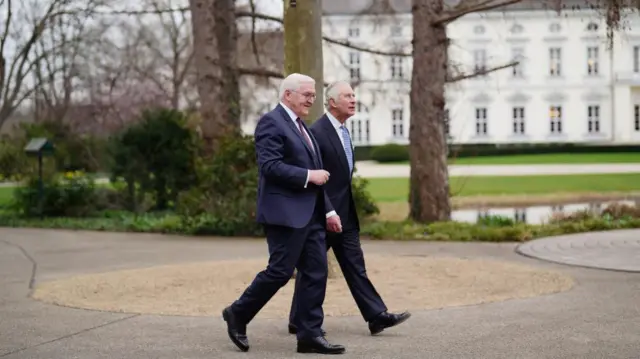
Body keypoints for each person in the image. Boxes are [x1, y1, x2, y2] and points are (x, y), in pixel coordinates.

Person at [222, 73, 346, 355]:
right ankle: (237, 314)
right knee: (279, 272)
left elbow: (319, 178)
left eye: (314, 95)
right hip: (284, 215)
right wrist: (307, 175)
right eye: (307, 94)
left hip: (312, 216)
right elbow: (270, 166)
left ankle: (309, 336)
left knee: (316, 272)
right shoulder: (271, 123)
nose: (312, 100)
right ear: (287, 95)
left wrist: (328, 210)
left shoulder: (303, 127)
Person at [288, 81, 411, 337]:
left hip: (347, 216)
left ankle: (376, 316)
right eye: (347, 96)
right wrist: (329, 211)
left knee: (356, 266)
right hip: (323, 215)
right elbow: (315, 179)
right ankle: (298, 319)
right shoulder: (317, 133)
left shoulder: (344, 131)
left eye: (354, 95)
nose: (353, 99)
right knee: (312, 268)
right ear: (332, 102)